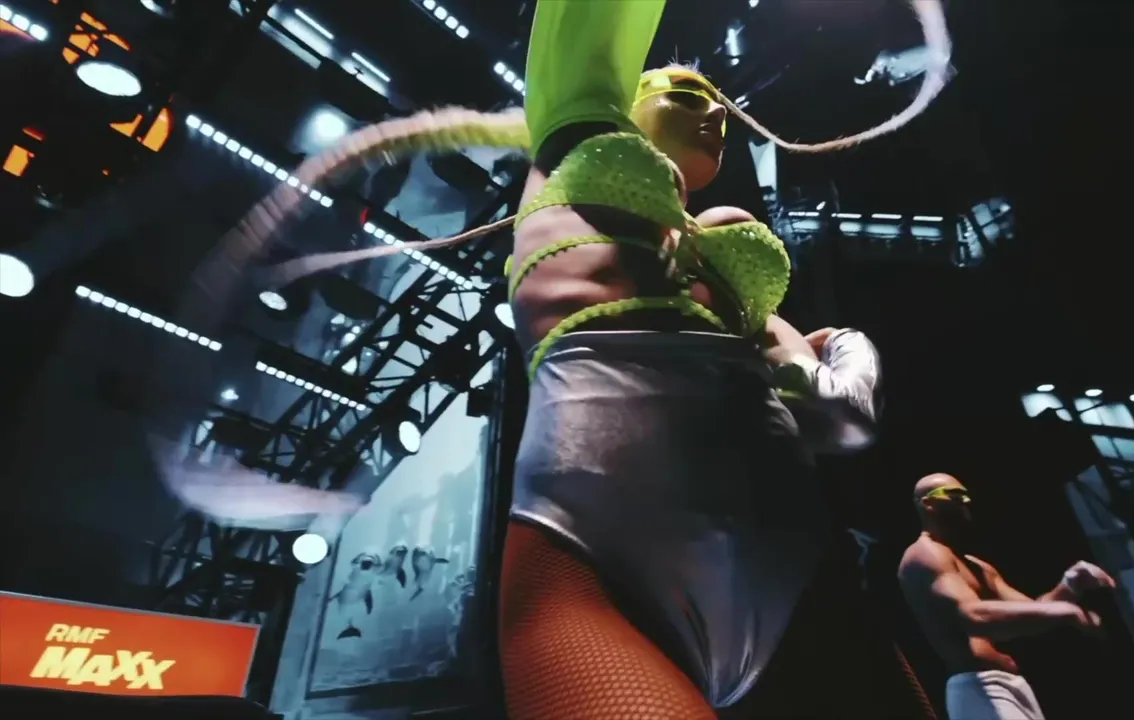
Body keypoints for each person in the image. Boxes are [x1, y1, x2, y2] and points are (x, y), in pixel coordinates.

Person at [171, 3, 956, 717]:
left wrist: (843, 348)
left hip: (801, 568)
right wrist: (828, 350)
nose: (716, 111)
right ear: (626, 103)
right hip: (595, 564)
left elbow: (843, 420)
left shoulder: (729, 265)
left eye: (721, 103)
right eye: (688, 92)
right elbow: (590, 24)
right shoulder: (578, 155)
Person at [898, 474, 1117, 720]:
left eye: (966, 495)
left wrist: (1070, 584)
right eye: (955, 495)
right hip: (979, 688)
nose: (966, 501)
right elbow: (971, 616)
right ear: (928, 504)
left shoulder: (977, 566)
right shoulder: (924, 555)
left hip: (1012, 687)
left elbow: (1033, 611)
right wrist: (1066, 612)